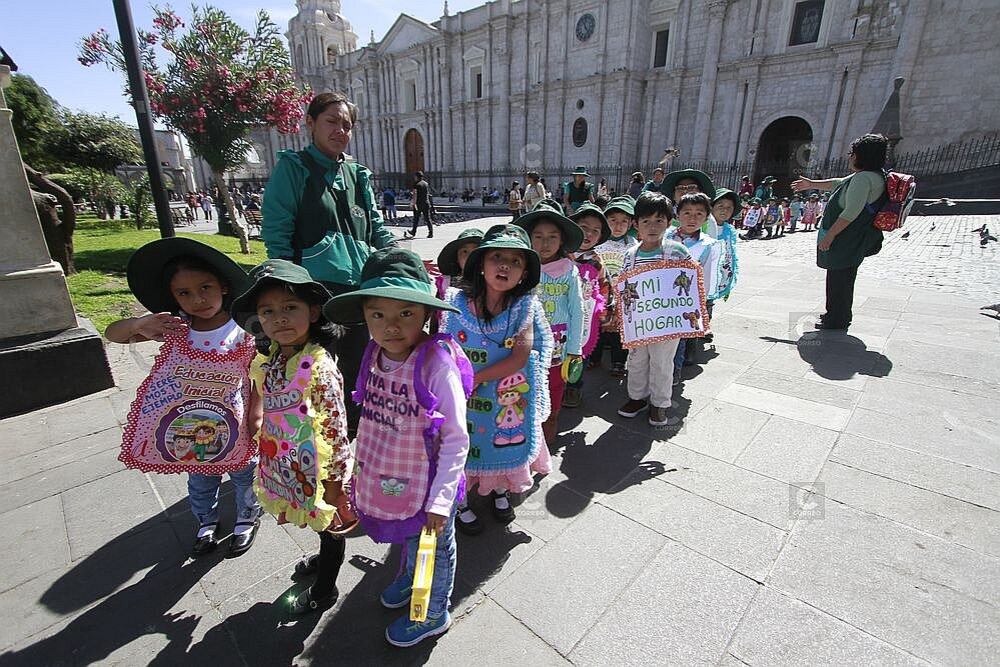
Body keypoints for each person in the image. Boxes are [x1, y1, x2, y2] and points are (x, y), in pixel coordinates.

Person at [324, 248, 472, 646]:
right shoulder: (374, 354)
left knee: (432, 550)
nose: (391, 326)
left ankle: (430, 612)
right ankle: (409, 580)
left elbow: (457, 438)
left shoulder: (435, 366)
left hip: (432, 483)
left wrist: (441, 501)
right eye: (378, 315)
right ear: (365, 316)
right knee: (411, 541)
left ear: (426, 313)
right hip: (392, 471)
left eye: (405, 313)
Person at [107, 238, 260, 558]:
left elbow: (259, 374)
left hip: (237, 421)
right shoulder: (175, 326)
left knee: (245, 474)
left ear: (224, 286)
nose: (197, 299)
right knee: (202, 477)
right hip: (188, 426)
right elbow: (113, 333)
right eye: (184, 293)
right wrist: (139, 324)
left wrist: (256, 414)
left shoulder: (244, 327)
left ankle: (246, 518)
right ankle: (206, 522)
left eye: (205, 287)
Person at [260, 92, 397, 437]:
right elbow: (277, 231)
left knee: (358, 364)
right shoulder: (294, 169)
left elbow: (376, 227)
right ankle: (302, 438)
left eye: (347, 125)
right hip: (313, 290)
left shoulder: (356, 174)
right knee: (310, 365)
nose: (340, 130)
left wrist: (398, 257)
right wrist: (287, 283)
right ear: (310, 123)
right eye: (332, 121)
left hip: (358, 290)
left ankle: (348, 436)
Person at [230, 260, 358, 614]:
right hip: (288, 461)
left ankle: (325, 588)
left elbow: (335, 429)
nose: (279, 319)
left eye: (290, 308)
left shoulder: (319, 367)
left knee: (330, 525)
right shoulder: (272, 357)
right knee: (314, 523)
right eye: (268, 311)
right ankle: (322, 557)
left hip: (321, 470)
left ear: (313, 312)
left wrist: (334, 484)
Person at [438, 225, 553, 533]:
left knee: (500, 444)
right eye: (497, 257)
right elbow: (443, 348)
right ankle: (459, 500)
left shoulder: (523, 308)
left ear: (525, 273)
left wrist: (476, 377)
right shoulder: (455, 304)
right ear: (480, 264)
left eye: (515, 261)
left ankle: (500, 489)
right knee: (461, 444)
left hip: (503, 396)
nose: (505, 265)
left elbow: (520, 357)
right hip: (464, 397)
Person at [793, 133, 888, 331]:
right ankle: (836, 313)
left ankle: (837, 318)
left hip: (847, 238)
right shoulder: (871, 175)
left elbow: (850, 212)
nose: (850, 157)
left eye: (852, 153)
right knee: (841, 276)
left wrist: (830, 235)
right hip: (852, 237)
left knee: (840, 278)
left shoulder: (864, 179)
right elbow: (838, 183)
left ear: (862, 155)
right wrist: (811, 184)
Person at [616, 191, 692, 426]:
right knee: (637, 359)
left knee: (662, 361)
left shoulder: (677, 251)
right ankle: (637, 397)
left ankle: (660, 403)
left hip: (666, 321)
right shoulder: (630, 255)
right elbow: (624, 284)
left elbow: (689, 281)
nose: (652, 226)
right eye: (646, 221)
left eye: (659, 220)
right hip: (638, 321)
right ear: (636, 224)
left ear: (669, 223)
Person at [517, 201, 585, 445]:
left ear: (562, 240)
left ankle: (550, 424)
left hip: (559, 343)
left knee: (555, 385)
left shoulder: (569, 269)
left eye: (552, 237)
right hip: (525, 341)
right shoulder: (521, 266)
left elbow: (578, 310)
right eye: (538, 236)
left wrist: (575, 350)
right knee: (522, 384)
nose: (545, 243)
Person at [666, 193, 721, 381]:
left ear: (706, 217)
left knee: (679, 338)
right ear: (677, 214)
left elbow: (707, 276)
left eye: (699, 214)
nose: (692, 218)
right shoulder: (665, 237)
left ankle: (674, 372)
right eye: (687, 212)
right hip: (662, 298)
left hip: (686, 301)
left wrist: (702, 302)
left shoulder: (708, 244)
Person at [564, 202, 611, 407]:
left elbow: (604, 288)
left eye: (595, 231)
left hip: (583, 316)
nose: (589, 234)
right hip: (558, 311)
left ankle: (574, 388)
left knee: (578, 350)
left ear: (600, 237)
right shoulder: (561, 254)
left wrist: (604, 313)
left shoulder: (597, 262)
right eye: (584, 227)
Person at [594, 195, 638, 377]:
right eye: (613, 220)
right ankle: (593, 357)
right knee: (597, 327)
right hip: (600, 293)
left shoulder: (634, 245)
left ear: (630, 224)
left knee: (619, 330)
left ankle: (619, 361)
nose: (618, 226)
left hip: (623, 294)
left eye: (623, 221)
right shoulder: (598, 243)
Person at [709, 189, 741, 302]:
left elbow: (731, 254)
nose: (725, 210)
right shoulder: (703, 227)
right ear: (711, 207)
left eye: (729, 208)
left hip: (721, 278)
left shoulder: (730, 230)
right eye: (720, 206)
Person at [408, 171, 433, 238]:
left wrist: (413, 204)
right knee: (428, 218)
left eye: (415, 177)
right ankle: (431, 233)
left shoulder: (416, 184)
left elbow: (415, 195)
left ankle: (413, 232)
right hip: (426, 203)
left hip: (418, 204)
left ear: (416, 177)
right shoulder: (426, 184)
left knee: (416, 219)